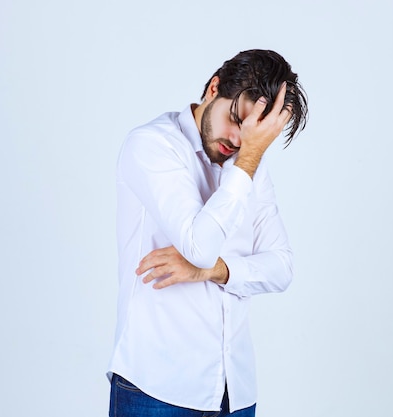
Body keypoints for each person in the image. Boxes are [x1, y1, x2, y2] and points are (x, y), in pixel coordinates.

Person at [108, 49, 308, 416]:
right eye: (236, 119)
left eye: (254, 133)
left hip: (235, 391)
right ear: (213, 88)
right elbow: (198, 245)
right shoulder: (154, 145)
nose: (238, 139)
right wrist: (248, 161)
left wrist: (215, 271)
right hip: (157, 387)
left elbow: (282, 267)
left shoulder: (248, 165)